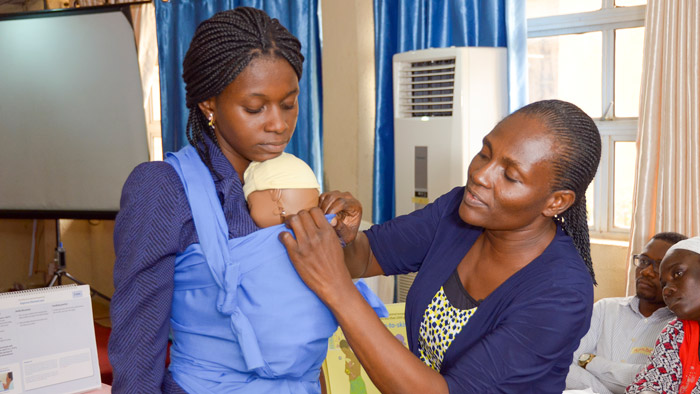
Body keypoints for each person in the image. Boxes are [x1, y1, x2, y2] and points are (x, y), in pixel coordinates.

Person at [109, 7, 363, 393]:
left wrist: (341, 233)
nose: (278, 124)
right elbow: (138, 346)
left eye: (289, 103)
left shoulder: (295, 182)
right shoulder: (163, 188)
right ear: (210, 104)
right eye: (255, 108)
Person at [280, 99, 603, 393]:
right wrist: (342, 238)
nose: (480, 175)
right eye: (485, 153)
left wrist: (338, 290)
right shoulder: (458, 213)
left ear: (556, 202)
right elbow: (364, 258)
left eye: (510, 176)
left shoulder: (561, 294)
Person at [567, 232, 687, 393]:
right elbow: (566, 363)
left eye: (659, 266)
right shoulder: (605, 308)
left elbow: (656, 380)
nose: (646, 271)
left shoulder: (679, 328)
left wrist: (590, 362)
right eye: (644, 261)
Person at [627, 236, 700, 394]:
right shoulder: (676, 332)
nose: (667, 290)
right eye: (663, 284)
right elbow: (651, 382)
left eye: (678, 274)